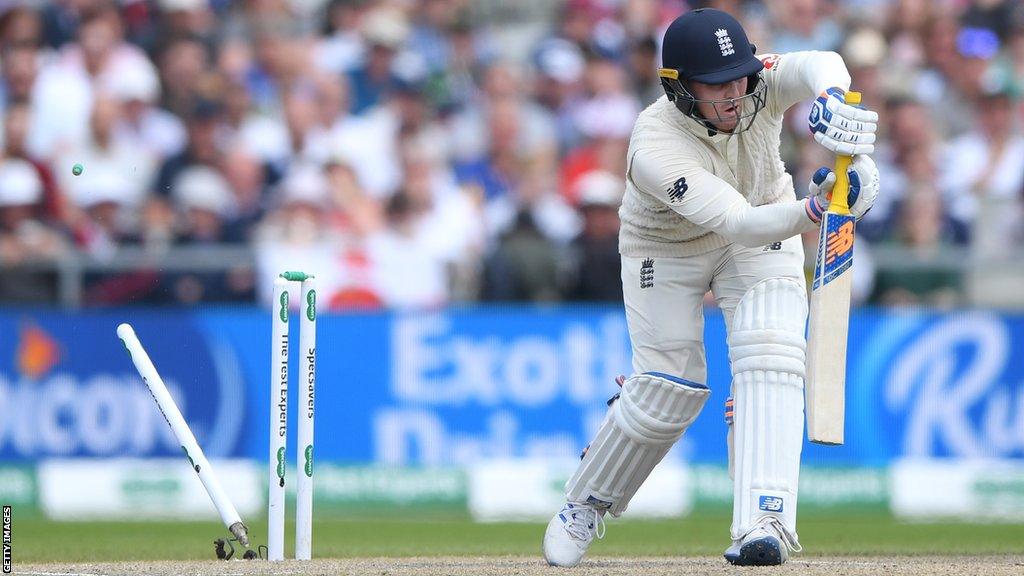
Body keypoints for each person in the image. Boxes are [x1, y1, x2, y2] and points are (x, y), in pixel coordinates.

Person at [542, 8, 880, 567]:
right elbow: (739, 222)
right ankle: (587, 501)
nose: (734, 94)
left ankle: (762, 521)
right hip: (669, 248)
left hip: (767, 221)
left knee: (771, 353)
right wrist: (822, 205)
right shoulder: (655, 145)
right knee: (668, 392)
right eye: (715, 84)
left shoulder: (755, 82)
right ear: (678, 88)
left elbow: (821, 62)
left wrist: (833, 98)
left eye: (739, 77)